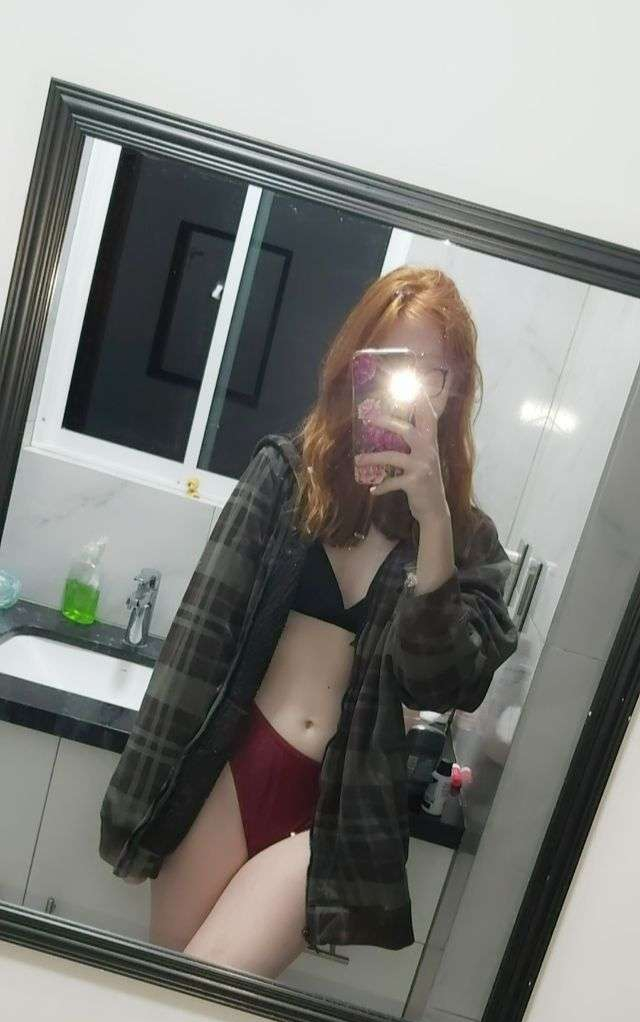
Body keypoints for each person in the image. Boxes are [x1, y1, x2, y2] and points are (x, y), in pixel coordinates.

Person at [99, 265, 518, 979]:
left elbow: (444, 684)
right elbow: (197, 644)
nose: (412, 387)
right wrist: (142, 804)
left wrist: (433, 521)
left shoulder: (467, 538)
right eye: (394, 361)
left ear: (456, 390)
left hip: (336, 802)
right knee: (167, 990)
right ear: (357, 364)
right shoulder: (286, 475)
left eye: (434, 371)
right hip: (233, 769)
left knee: (206, 989)